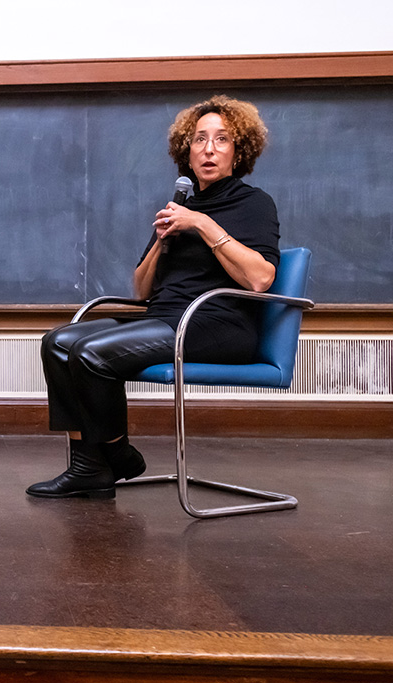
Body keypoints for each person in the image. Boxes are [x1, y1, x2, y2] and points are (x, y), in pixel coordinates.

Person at [28, 95, 279, 499]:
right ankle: (89, 466)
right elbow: (142, 290)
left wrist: (202, 224)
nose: (209, 149)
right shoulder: (179, 206)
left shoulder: (253, 204)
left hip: (218, 325)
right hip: (163, 318)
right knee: (58, 344)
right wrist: (162, 242)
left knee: (92, 355)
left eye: (221, 139)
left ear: (239, 150)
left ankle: (117, 451)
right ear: (187, 151)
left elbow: (260, 279)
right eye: (199, 140)